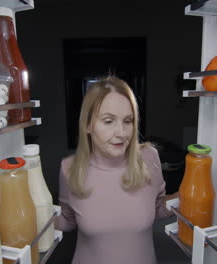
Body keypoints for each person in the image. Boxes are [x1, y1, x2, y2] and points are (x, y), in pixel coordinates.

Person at [55, 76, 178, 264]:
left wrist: (183, 198)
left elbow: (157, 209)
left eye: (128, 121)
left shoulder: (148, 157)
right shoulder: (69, 168)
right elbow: (68, 220)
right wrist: (36, 222)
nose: (121, 133)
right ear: (88, 125)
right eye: (108, 121)